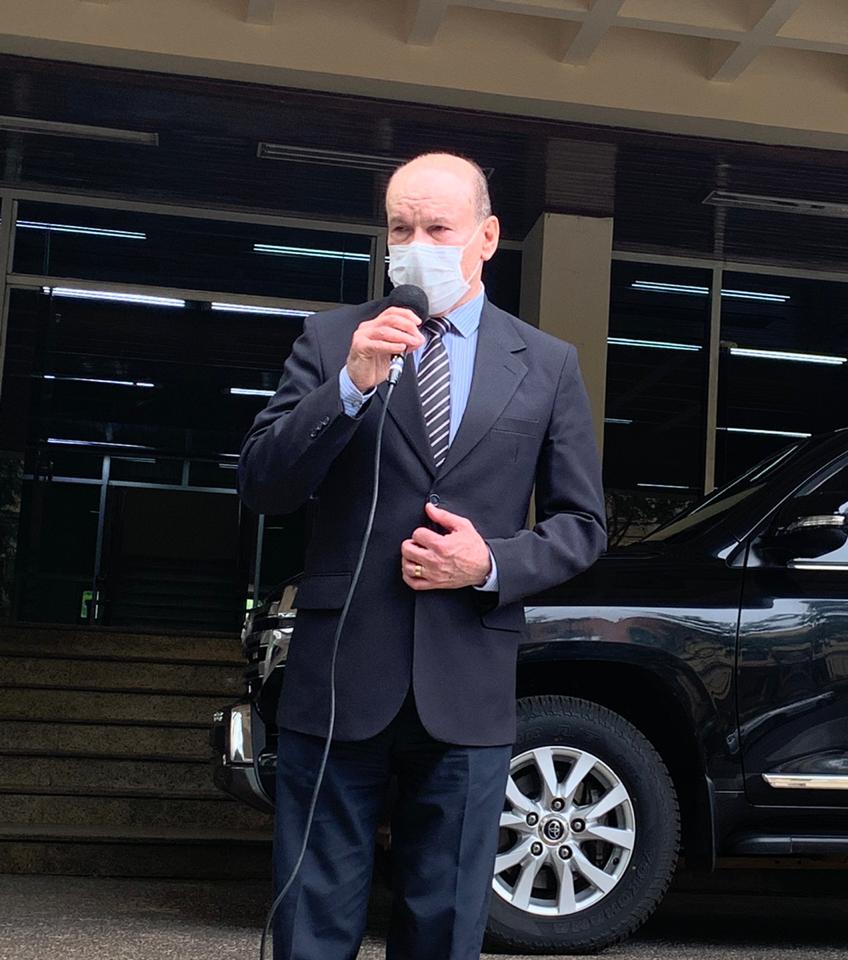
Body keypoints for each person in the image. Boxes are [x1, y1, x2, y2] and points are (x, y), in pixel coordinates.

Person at [238, 152, 607, 959]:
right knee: (311, 925)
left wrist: (492, 564)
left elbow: (585, 524)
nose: (418, 245)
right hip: (341, 674)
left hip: (467, 682)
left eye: (438, 228)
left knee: (443, 928)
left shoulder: (546, 364)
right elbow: (264, 482)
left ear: (487, 237)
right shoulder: (333, 338)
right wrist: (348, 387)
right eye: (401, 228)